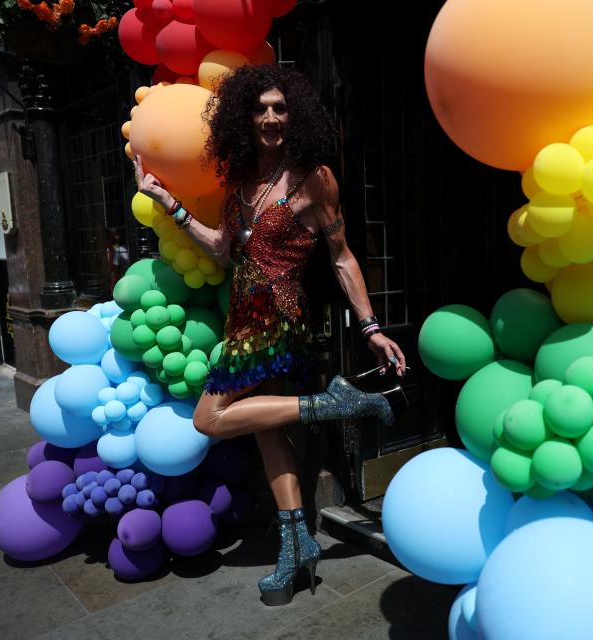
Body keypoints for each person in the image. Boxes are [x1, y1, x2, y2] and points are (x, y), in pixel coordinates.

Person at [132, 64, 407, 606]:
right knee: (266, 431)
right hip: (244, 317)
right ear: (243, 116)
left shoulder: (313, 178)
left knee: (208, 419)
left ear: (294, 114)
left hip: (280, 319)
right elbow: (220, 249)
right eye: (260, 108)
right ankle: (297, 543)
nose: (271, 117)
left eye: (281, 107)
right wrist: (165, 200)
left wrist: (371, 327)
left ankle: (331, 406)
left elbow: (342, 256)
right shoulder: (239, 181)